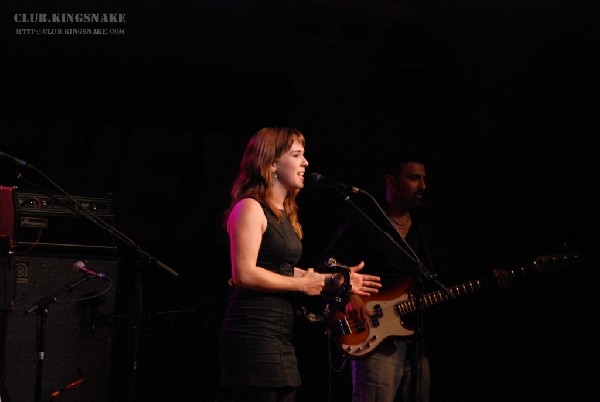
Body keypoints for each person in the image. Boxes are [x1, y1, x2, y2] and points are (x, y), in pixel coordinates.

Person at [322, 152, 512, 402]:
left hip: (417, 339)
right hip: (373, 337)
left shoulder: (425, 229)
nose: (422, 186)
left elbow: (445, 275)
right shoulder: (366, 221)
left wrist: (487, 278)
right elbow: (328, 265)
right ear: (391, 181)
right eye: (414, 178)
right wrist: (350, 294)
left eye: (423, 179)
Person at [216, 127, 381, 402]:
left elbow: (278, 267)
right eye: (296, 155)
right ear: (270, 163)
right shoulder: (249, 208)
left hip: (280, 336)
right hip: (252, 334)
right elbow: (244, 273)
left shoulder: (283, 213)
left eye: (304, 155)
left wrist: (332, 280)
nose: (305, 163)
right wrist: (302, 284)